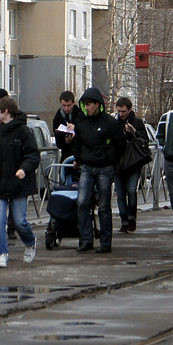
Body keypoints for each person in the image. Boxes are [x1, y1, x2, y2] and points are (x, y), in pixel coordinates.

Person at [66, 86, 123, 253]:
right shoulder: (81, 121)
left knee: (104, 206)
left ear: (98, 104)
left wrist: (111, 160)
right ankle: (86, 239)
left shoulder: (110, 123)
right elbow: (78, 142)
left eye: (90, 104)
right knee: (82, 202)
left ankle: (105, 242)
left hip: (104, 168)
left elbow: (120, 144)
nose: (88, 107)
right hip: (87, 167)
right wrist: (78, 158)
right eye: (85, 104)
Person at [0, 98, 38, 268]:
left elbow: (33, 155)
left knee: (19, 221)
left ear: (6, 112)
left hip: (19, 183)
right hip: (1, 182)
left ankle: (30, 241)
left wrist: (24, 169)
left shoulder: (23, 131)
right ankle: (2, 253)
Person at [113, 96, 149, 234]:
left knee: (132, 190)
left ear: (129, 109)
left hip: (133, 163)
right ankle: (124, 221)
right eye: (119, 111)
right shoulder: (115, 123)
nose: (121, 114)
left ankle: (132, 218)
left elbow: (145, 141)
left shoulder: (137, 122)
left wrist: (134, 133)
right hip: (118, 163)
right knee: (121, 194)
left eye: (123, 111)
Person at [157, 91, 173, 232]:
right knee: (172, 192)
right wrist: (165, 148)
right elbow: (159, 135)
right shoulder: (166, 118)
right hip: (171, 159)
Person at [51, 90, 85, 164]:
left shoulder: (81, 115)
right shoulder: (57, 118)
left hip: (81, 155)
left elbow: (87, 133)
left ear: (73, 103)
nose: (66, 108)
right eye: (64, 105)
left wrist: (76, 128)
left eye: (69, 105)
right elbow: (59, 143)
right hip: (66, 155)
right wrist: (66, 142)